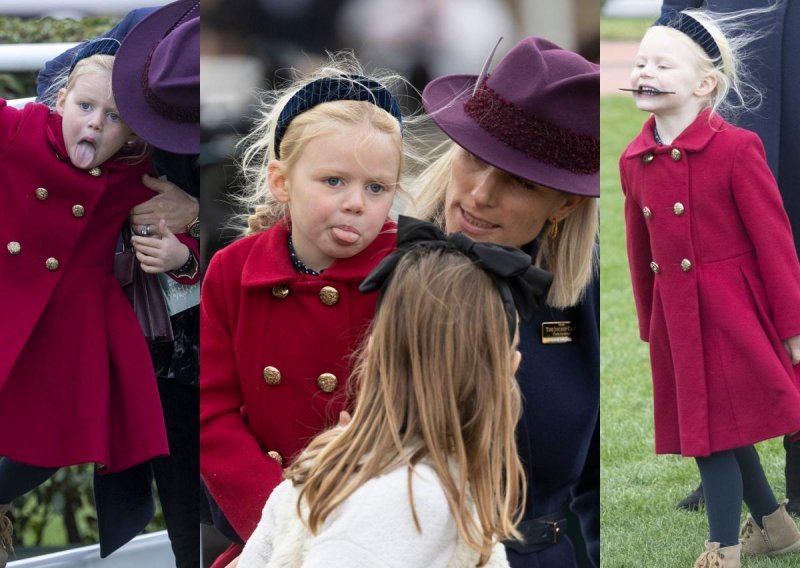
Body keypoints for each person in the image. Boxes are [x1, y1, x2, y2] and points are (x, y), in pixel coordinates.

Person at [235, 216, 550, 567]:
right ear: (506, 370)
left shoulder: (337, 462)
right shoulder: (409, 498)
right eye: (511, 349)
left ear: (373, 354)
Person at [199, 56, 415, 567]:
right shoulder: (232, 272)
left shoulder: (417, 269)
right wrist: (284, 520)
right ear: (281, 181)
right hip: (271, 531)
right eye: (333, 181)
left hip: (385, 531)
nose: (356, 203)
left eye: (376, 187)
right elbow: (211, 415)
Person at [620, 8, 800, 566]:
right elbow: (639, 249)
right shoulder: (633, 159)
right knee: (717, 423)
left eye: (662, 64)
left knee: (716, 431)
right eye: (640, 62)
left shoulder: (738, 148)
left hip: (733, 313)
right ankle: (774, 526)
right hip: (678, 317)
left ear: (704, 84)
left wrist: (793, 328)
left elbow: (776, 245)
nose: (645, 72)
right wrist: (652, 320)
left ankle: (721, 549)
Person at [412, 37, 600, 568]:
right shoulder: (377, 268)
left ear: (563, 203)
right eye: (473, 158)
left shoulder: (584, 295)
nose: (479, 194)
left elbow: (598, 482)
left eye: (518, 181)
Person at [32, 4, 202, 566]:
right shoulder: (150, 35)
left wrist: (197, 212)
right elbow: (61, 86)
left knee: (205, 506)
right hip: (152, 328)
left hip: (214, 318)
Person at [0, 45, 171, 566]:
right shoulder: (15, 130)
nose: (95, 125)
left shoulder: (135, 172)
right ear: (60, 100)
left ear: (134, 130)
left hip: (74, 323)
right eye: (85, 107)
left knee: (62, 433)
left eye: (115, 117)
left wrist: (184, 243)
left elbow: (188, 211)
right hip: (9, 294)